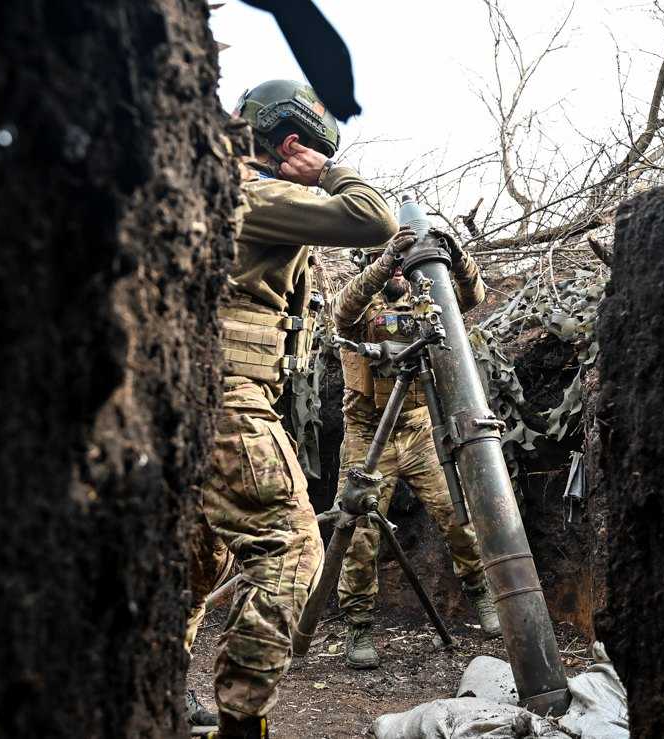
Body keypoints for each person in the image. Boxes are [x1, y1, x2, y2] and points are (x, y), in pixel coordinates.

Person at [192, 79, 398, 738]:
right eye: (308, 151)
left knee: (196, 561)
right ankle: (240, 719)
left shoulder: (219, 187)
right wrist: (331, 173)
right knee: (289, 552)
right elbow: (374, 217)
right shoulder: (255, 191)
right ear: (289, 144)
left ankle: (154, 685)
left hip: (208, 392)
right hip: (228, 396)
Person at [331, 227, 501, 671]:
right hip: (368, 433)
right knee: (361, 531)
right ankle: (360, 624)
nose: (404, 275)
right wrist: (387, 257)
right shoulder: (361, 306)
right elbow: (342, 309)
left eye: (408, 267)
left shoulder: (427, 303)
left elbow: (473, 297)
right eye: (396, 266)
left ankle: (481, 593)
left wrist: (457, 256)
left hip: (418, 428)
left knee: (457, 514)